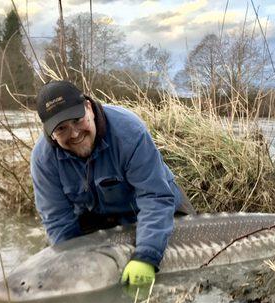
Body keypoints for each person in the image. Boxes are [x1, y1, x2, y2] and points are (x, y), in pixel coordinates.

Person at [31, 80, 195, 286]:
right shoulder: (43, 159)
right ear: (51, 134)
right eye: (61, 128)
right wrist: (73, 271)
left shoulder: (128, 131)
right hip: (99, 216)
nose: (74, 133)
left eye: (77, 120)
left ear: (88, 107)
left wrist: (146, 256)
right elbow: (58, 221)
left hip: (159, 203)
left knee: (184, 271)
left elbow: (154, 197)